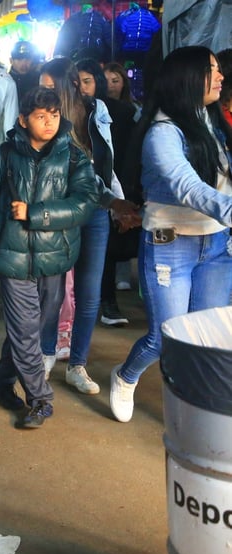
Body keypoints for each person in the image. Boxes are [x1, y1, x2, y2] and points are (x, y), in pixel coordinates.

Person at [0, 87, 98, 428]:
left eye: (54, 115)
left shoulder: (73, 157)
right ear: (23, 120)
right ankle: (40, 399)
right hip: (12, 257)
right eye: (40, 116)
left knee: (32, 329)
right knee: (24, 331)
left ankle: (0, 384)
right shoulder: (5, 155)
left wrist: (36, 213)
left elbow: (85, 203)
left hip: (55, 258)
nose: (49, 123)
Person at [110, 46, 232, 423]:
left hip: (216, 246)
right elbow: (188, 187)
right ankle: (125, 376)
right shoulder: (162, 133)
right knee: (166, 338)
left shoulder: (212, 121)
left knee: (205, 336)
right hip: (170, 246)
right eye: (212, 70)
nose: (221, 77)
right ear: (187, 78)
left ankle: (195, 410)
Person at [37, 57, 140, 394]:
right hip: (59, 211)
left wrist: (117, 204)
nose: (43, 93)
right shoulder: (43, 121)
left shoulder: (96, 112)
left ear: (68, 85)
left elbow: (105, 166)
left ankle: (77, 364)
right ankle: (46, 357)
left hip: (95, 212)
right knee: (51, 292)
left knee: (89, 292)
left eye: (49, 87)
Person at [75, 57, 140, 326]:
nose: (82, 88)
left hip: (110, 186)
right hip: (80, 194)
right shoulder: (68, 112)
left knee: (106, 253)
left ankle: (107, 303)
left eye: (88, 81)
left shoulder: (120, 113)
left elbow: (119, 155)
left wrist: (121, 195)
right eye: (77, 82)